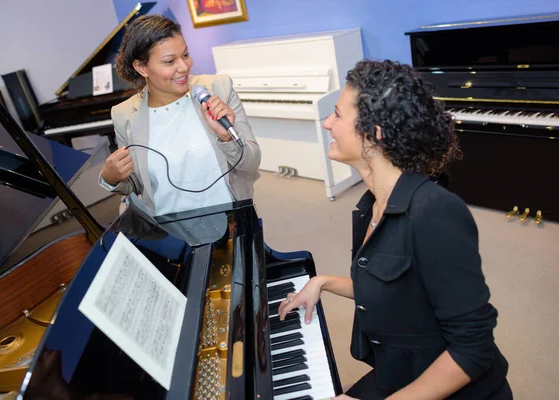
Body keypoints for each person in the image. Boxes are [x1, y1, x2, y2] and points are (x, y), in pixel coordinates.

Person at [278, 60, 512, 400]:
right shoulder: (370, 205)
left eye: (338, 115)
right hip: (402, 372)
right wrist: (322, 282)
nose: (327, 123)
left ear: (374, 133)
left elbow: (472, 349)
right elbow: (398, 290)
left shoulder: (435, 213)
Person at [99, 15, 261, 216]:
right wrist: (111, 177)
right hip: (169, 231)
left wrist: (227, 138)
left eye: (185, 55)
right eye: (169, 61)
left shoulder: (219, 88)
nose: (184, 67)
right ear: (141, 67)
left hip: (229, 220)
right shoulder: (123, 114)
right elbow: (138, 184)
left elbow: (252, 162)